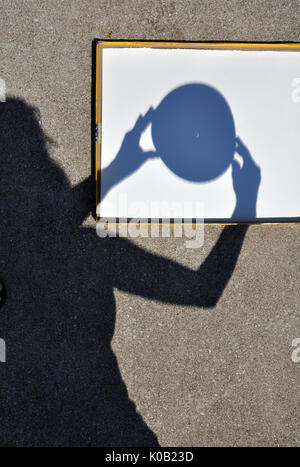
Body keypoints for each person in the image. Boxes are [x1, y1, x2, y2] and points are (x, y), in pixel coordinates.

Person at [0, 97, 260, 446]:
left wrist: (121, 168)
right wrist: (244, 209)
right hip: (111, 433)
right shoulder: (89, 249)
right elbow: (202, 288)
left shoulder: (38, 251)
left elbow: (42, 229)